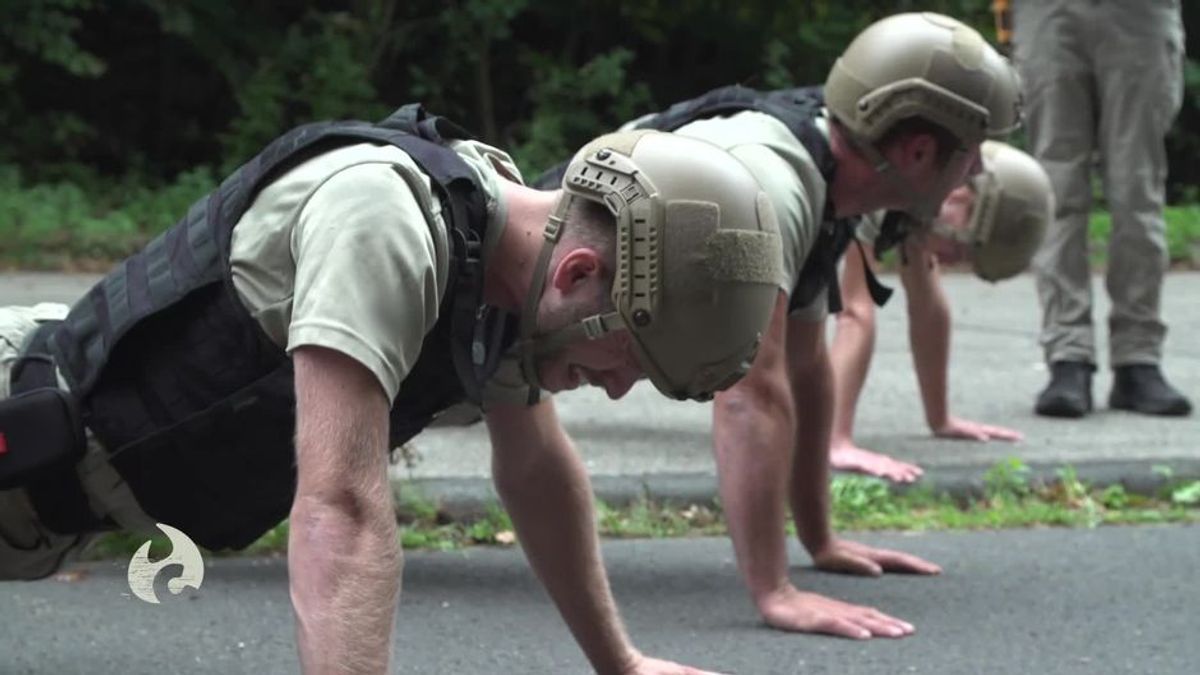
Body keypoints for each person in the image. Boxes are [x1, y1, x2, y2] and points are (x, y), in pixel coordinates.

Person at [0, 106, 785, 675]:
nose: (616, 389)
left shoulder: (508, 281)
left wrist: (622, 662)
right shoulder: (384, 220)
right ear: (580, 275)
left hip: (56, 512)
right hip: (18, 436)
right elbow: (340, 508)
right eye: (628, 358)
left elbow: (539, 470)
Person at [537, 12, 1022, 640]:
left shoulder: (823, 182)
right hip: (499, 324)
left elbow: (807, 368)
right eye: (973, 148)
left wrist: (819, 541)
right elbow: (750, 394)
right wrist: (776, 591)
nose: (978, 169)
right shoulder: (775, 182)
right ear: (919, 151)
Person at [829, 141, 1054, 483]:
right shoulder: (879, 183)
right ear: (959, 196)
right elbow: (855, 312)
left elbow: (926, 304)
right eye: (961, 247)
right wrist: (836, 442)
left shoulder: (918, 195)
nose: (952, 259)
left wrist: (940, 419)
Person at [1010, 0, 1192, 418]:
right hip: (1047, 11)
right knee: (1056, 192)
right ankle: (1067, 356)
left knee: (1137, 192)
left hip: (1139, 14)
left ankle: (1138, 360)